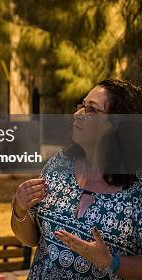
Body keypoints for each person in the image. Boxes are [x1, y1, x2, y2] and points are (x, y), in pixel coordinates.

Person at [11, 79, 142, 279]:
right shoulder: (58, 165)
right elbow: (31, 239)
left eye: (92, 110)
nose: (77, 115)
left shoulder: (137, 187)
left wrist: (110, 262)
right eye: (82, 106)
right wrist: (19, 209)